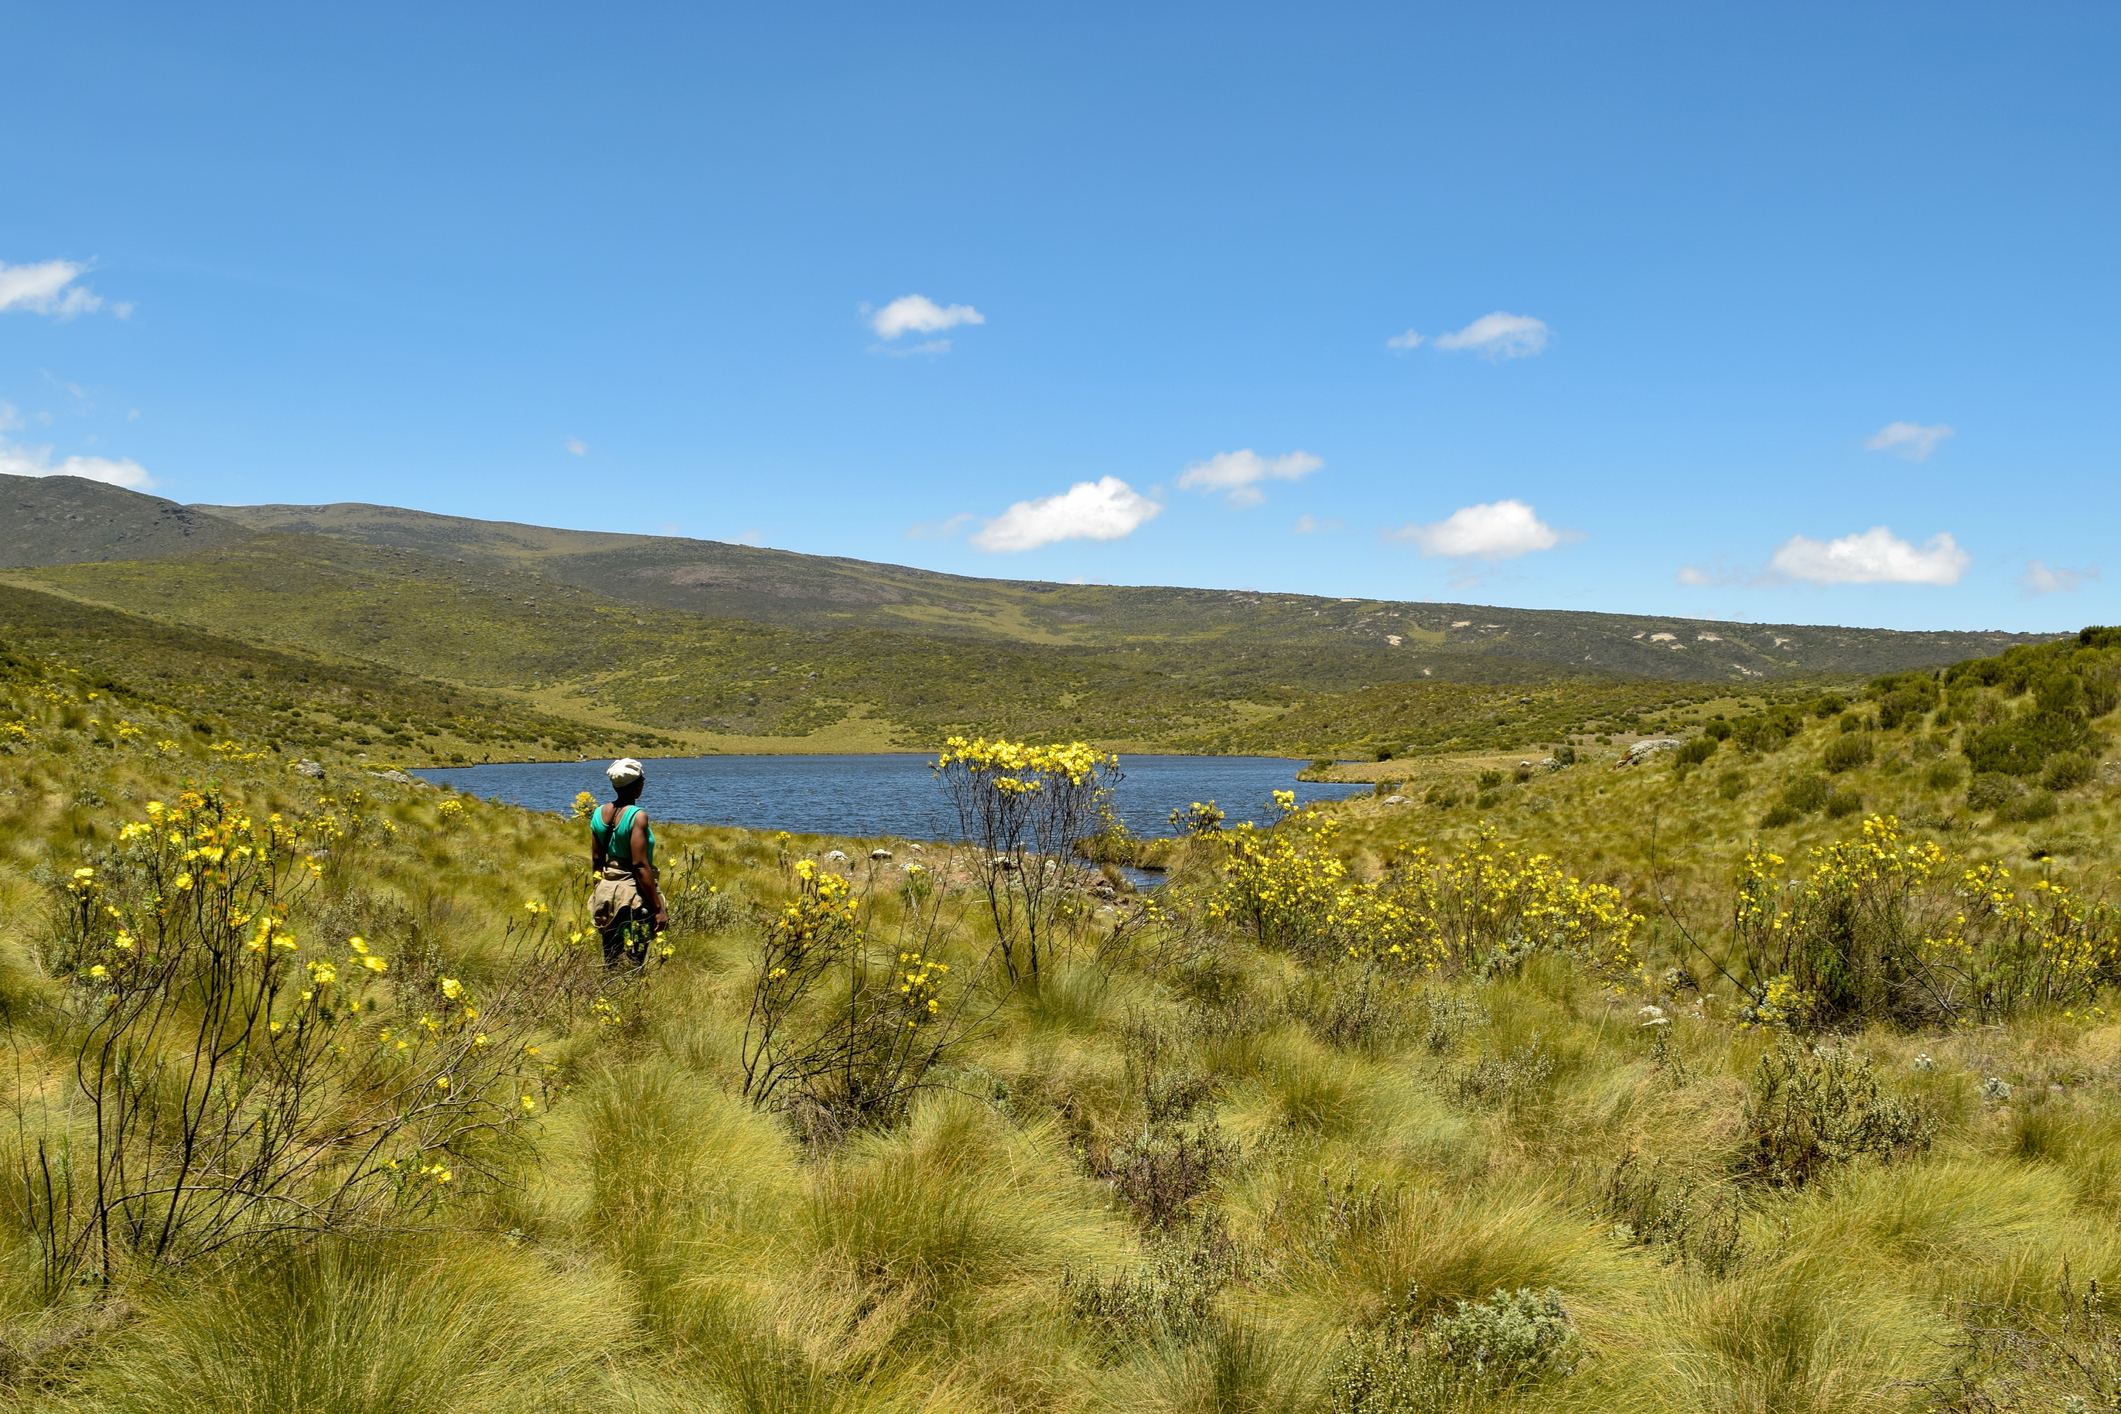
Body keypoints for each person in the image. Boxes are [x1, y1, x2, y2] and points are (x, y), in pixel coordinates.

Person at [588, 757, 668, 967]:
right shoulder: (637, 816)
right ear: (637, 785)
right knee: (635, 956)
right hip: (633, 893)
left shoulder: (598, 813)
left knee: (611, 954)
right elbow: (639, 865)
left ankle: (609, 988)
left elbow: (597, 860)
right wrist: (658, 908)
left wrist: (599, 890)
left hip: (607, 889)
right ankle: (631, 990)